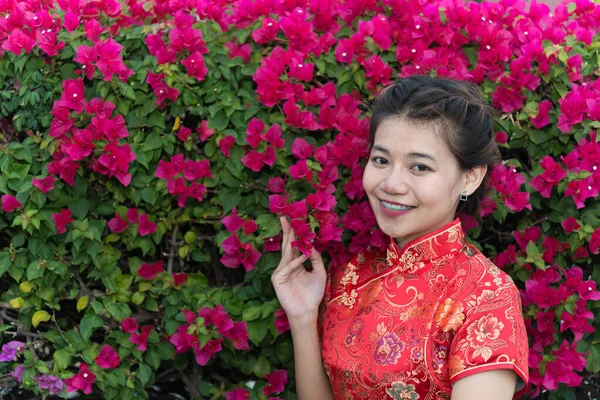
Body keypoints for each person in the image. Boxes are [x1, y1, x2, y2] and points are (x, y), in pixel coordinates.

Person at [271, 76, 529, 400]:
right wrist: (303, 316)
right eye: (381, 160)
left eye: (419, 167)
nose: (391, 184)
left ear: (470, 177)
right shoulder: (352, 275)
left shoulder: (487, 297)